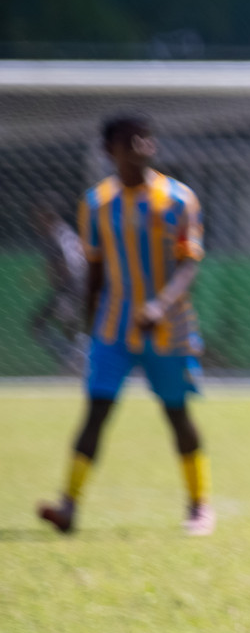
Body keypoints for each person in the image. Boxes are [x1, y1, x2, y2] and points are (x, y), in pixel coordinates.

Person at [37, 114, 215, 537]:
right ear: (109, 150)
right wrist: (88, 323)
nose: (142, 145)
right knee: (96, 412)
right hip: (113, 330)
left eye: (146, 138)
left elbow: (189, 263)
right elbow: (95, 269)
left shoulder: (178, 199)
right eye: (130, 139)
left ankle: (199, 505)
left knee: (177, 414)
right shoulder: (97, 204)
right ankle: (69, 506)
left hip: (167, 328)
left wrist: (160, 305)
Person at [26, 198, 88, 374]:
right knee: (72, 329)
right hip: (82, 287)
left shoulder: (52, 238)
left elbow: (63, 271)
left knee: (37, 325)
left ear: (47, 216)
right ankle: (78, 359)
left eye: (37, 218)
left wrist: (60, 297)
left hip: (71, 288)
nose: (34, 223)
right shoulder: (65, 231)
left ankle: (75, 361)